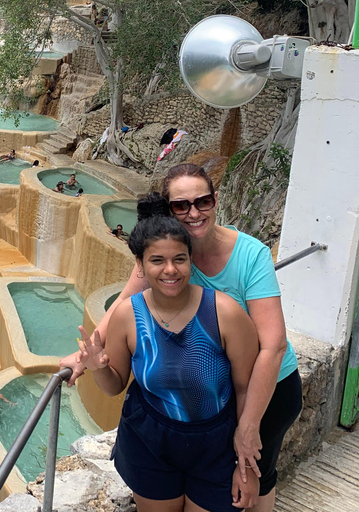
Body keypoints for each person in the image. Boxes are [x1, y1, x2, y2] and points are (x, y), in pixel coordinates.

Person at [61, 163, 302, 512]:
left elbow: (273, 345)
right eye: (181, 205)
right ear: (169, 208)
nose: (193, 213)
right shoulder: (166, 250)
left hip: (267, 381)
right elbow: (127, 301)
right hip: (209, 386)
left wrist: (248, 426)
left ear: (215, 201)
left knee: (255, 477)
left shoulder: (250, 256)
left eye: (202, 202)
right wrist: (86, 352)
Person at [75, 193, 259, 511]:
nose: (170, 270)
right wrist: (99, 367)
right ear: (141, 265)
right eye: (157, 260)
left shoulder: (225, 313)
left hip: (216, 444)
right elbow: (114, 385)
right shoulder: (127, 316)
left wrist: (248, 465)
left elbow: (247, 389)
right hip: (149, 442)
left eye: (179, 259)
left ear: (191, 259)